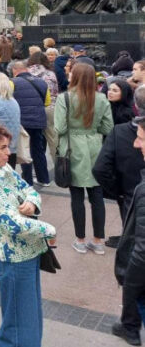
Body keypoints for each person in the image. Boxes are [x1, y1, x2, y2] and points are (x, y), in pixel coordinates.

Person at [0, 124, 56, 347]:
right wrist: (49, 230)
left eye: (8, 147)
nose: (8, 152)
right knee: (19, 326)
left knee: (29, 319)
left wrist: (33, 204)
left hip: (27, 254)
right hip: (12, 260)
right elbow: (11, 224)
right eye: (2, 148)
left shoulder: (2, 168)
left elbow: (29, 189)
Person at [94, 86, 145, 342]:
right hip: (130, 198)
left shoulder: (121, 132)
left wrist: (120, 194)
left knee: (132, 256)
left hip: (130, 200)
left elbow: (101, 169)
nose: (138, 144)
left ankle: (130, 325)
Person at [55, 62, 113, 255]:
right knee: (97, 196)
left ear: (75, 77)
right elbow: (107, 128)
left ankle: (80, 239)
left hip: (72, 149)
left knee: (77, 196)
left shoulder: (65, 98)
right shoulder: (102, 98)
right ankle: (98, 241)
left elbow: (60, 128)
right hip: (95, 148)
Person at [11, 60, 51, 186]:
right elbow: (47, 102)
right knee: (38, 149)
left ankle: (27, 181)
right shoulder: (42, 82)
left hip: (22, 121)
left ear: (14, 70)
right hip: (39, 120)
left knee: (24, 149)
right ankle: (44, 179)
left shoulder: (12, 82)